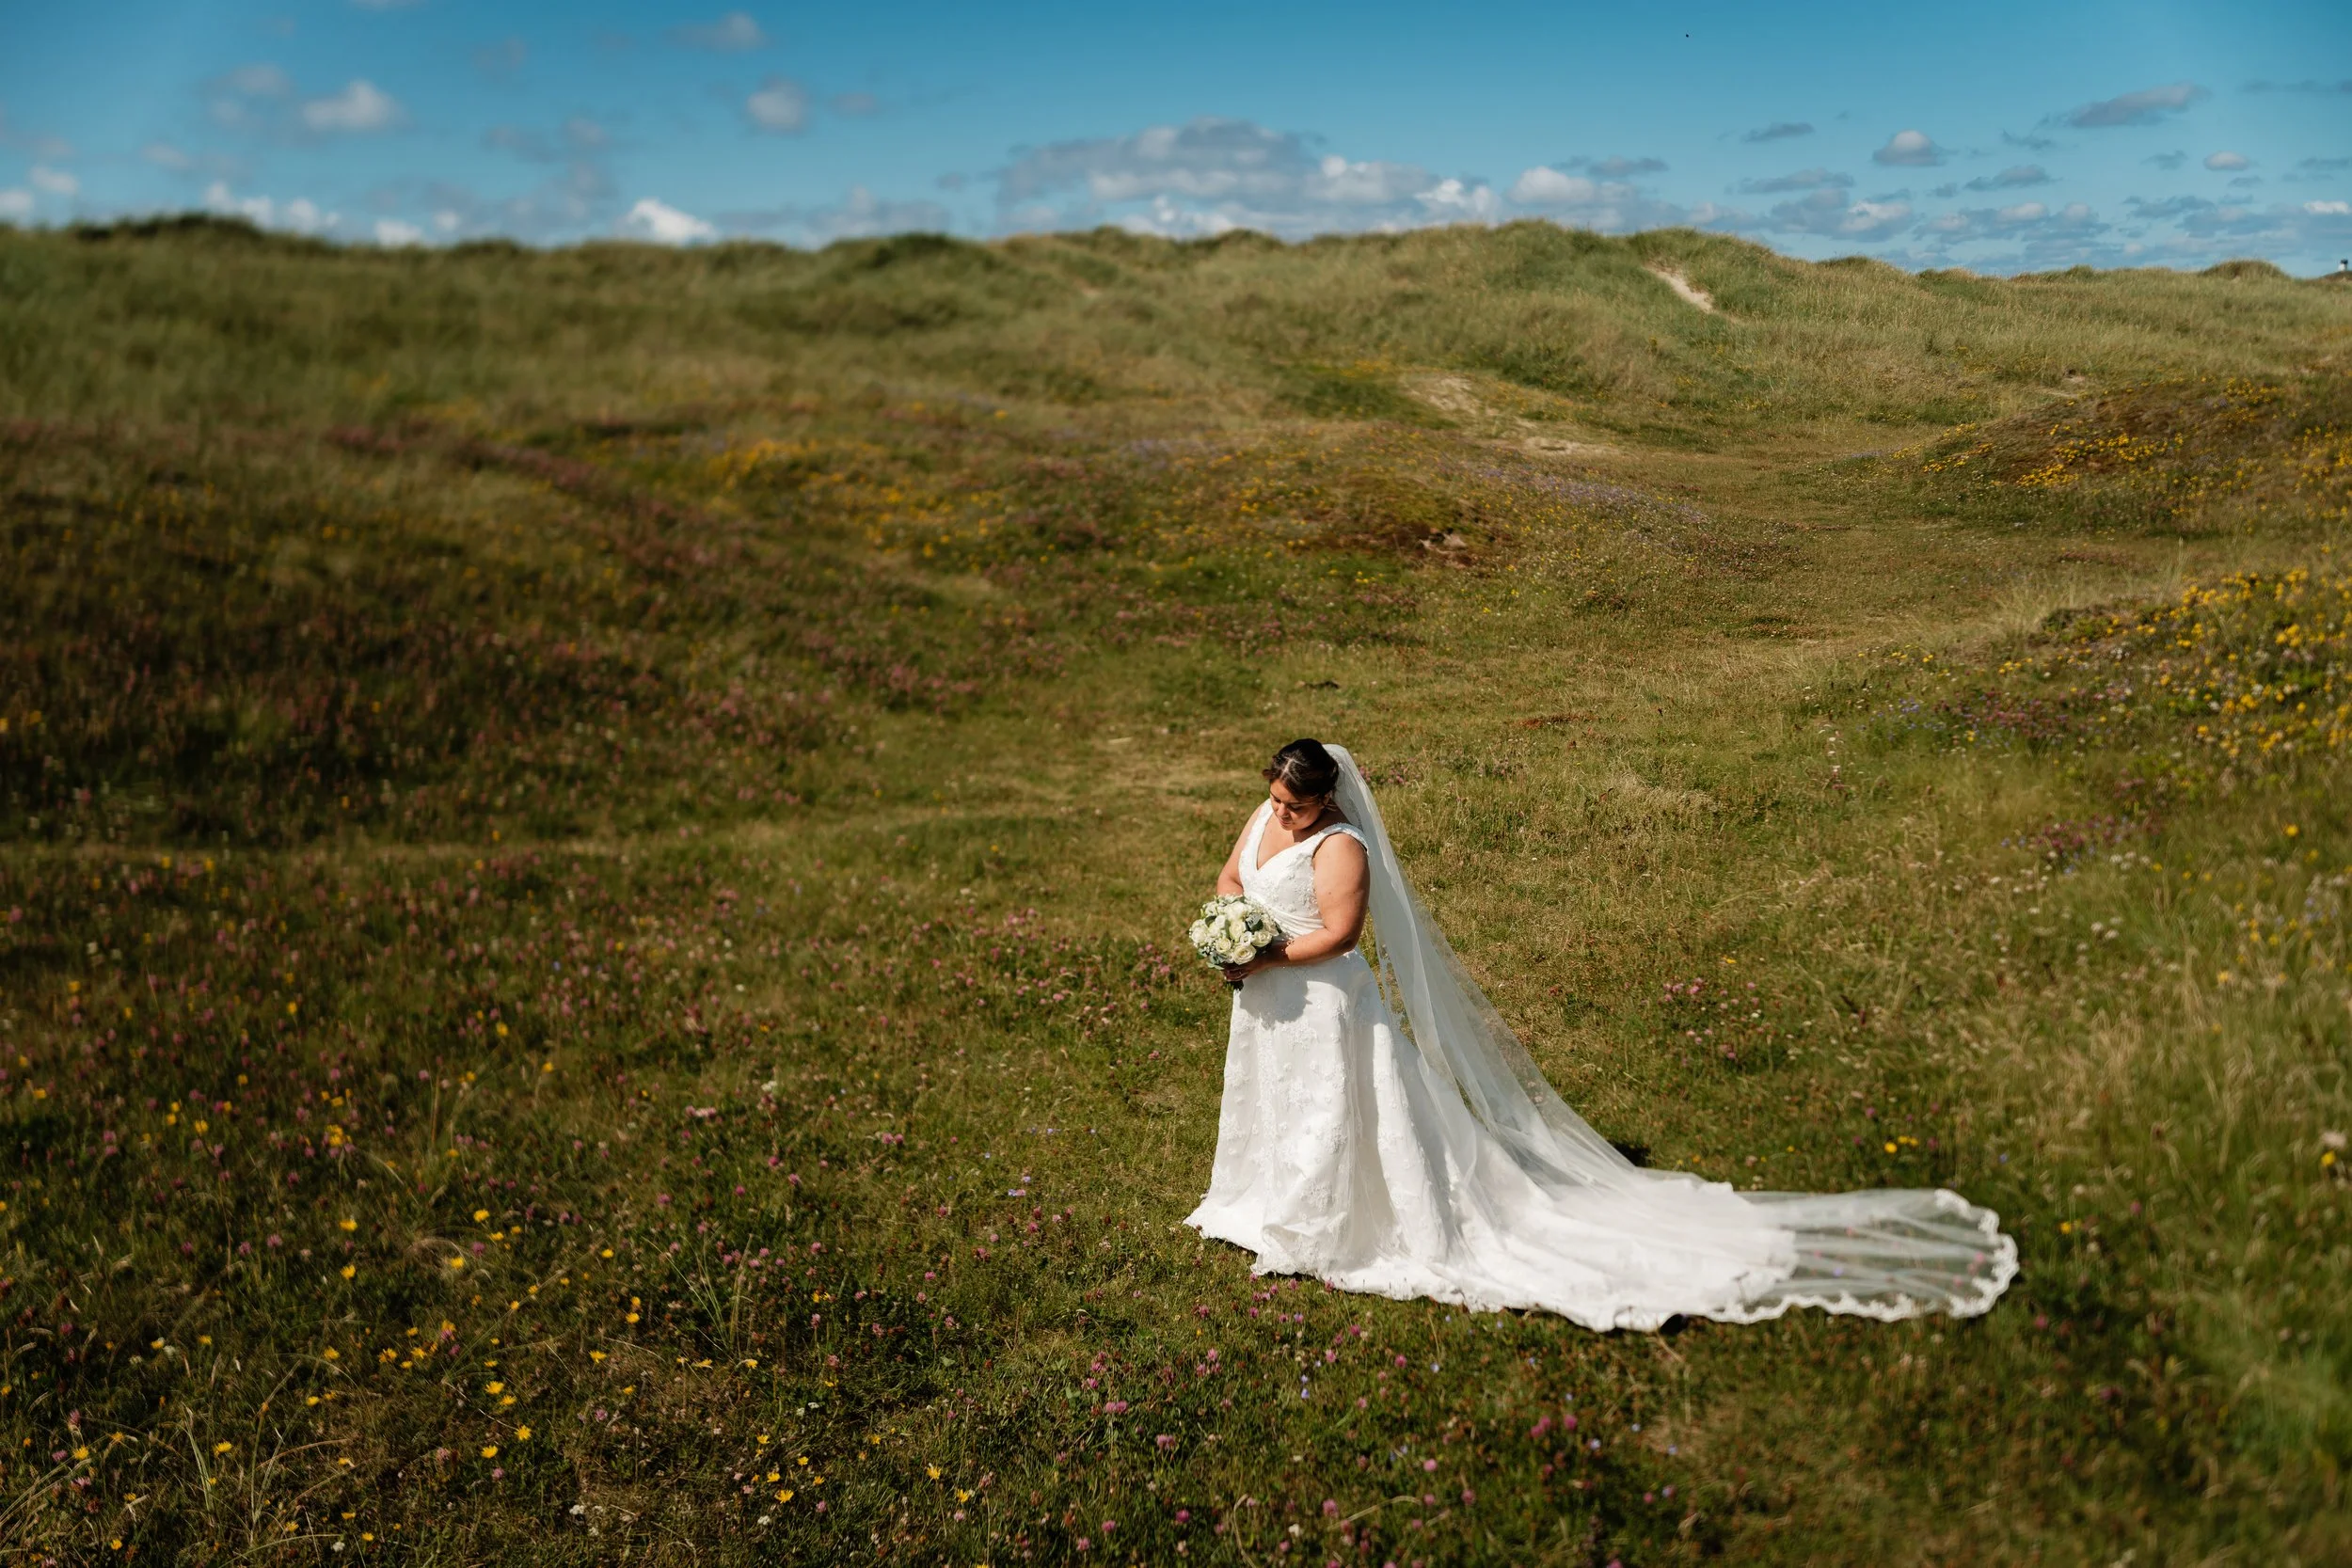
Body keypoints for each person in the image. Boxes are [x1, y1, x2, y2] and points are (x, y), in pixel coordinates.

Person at [1184, 737, 2016, 1330]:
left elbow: (1338, 937)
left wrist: (1265, 956)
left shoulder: (1340, 846)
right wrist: (1233, 927)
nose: (1281, 815)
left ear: (1326, 797)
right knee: (1275, 1102)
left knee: (1336, 1107)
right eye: (1277, 800)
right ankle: (1265, 1201)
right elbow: (1233, 875)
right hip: (1265, 995)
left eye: (1295, 804)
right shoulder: (1266, 816)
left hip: (1320, 993)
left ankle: (1323, 1223)